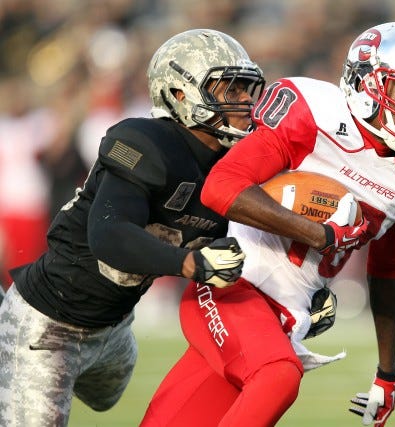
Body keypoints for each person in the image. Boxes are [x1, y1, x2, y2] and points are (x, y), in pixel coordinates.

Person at [141, 22, 395, 427]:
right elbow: (220, 188)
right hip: (229, 288)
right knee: (277, 376)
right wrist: (319, 235)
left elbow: (388, 267)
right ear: (367, 82)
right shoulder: (312, 112)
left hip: (284, 318)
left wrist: (387, 372)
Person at [0, 29, 265, 426]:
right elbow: (109, 233)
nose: (244, 101)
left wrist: (307, 288)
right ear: (179, 94)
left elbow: (260, 237)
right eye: (229, 89)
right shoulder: (143, 141)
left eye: (247, 89)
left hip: (115, 327)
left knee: (107, 399)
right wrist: (190, 262)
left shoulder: (235, 159)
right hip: (47, 324)